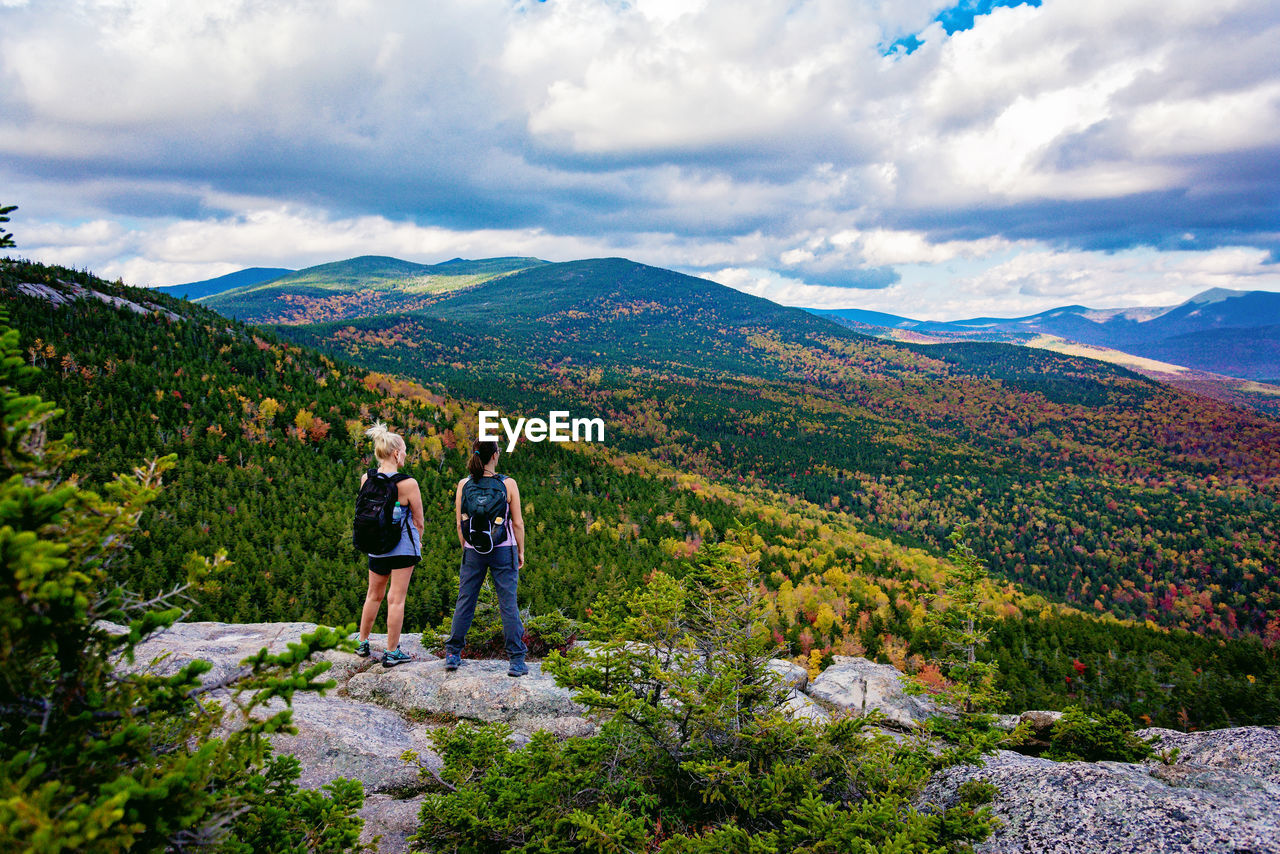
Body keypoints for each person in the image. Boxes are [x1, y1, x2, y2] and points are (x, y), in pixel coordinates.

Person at [444, 439, 528, 676]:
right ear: (495, 456)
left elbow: (461, 521)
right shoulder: (508, 483)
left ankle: (453, 653)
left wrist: (467, 546)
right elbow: (518, 522)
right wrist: (520, 550)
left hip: (473, 548)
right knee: (508, 603)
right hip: (503, 548)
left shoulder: (465, 483)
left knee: (466, 600)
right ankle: (516, 660)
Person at [355, 422, 424, 667]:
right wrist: (419, 542)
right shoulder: (408, 484)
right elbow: (418, 520)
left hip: (375, 544)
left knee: (373, 595)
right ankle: (392, 651)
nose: (405, 454)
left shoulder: (367, 478)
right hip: (402, 548)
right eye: (404, 450)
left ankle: (362, 642)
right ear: (396, 453)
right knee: (396, 599)